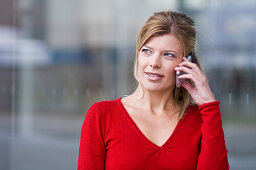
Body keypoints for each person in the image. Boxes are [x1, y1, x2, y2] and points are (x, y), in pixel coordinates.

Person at [78, 10, 229, 170]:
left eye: (168, 55)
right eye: (147, 51)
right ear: (138, 55)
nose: (154, 63)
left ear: (186, 64)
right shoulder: (102, 116)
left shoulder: (200, 120)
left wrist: (208, 105)